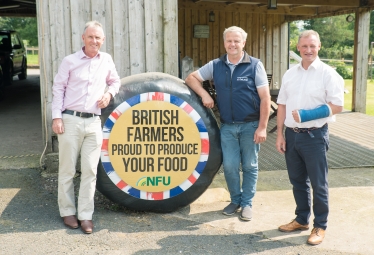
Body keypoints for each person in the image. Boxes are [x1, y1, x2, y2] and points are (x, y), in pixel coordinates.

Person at [185, 26, 270, 221]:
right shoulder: (216, 65)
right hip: (228, 126)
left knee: (249, 165)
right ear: (224, 43)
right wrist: (205, 93)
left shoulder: (255, 65)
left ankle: (247, 203)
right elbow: (191, 78)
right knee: (230, 166)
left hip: (251, 125)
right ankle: (235, 200)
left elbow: (265, 98)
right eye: (229, 41)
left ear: (243, 43)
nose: (232, 44)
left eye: (236, 41)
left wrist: (263, 127)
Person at [275, 30, 344, 245]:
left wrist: (307, 115)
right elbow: (282, 105)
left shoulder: (328, 74)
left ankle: (320, 226)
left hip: (314, 136)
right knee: (297, 181)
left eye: (312, 46)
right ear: (298, 48)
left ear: (319, 46)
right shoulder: (290, 73)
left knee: (318, 184)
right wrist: (279, 134)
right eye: (304, 46)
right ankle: (302, 219)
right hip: (291, 135)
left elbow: (337, 106)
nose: (308, 50)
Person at [51, 20, 120, 234]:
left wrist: (108, 94)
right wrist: (56, 118)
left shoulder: (106, 60)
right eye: (90, 37)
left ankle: (86, 215)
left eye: (98, 37)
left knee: (90, 170)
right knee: (68, 169)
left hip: (93, 122)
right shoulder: (70, 61)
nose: (94, 41)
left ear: (103, 40)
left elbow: (115, 81)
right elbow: (58, 89)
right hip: (70, 119)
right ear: (83, 38)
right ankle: (68, 212)